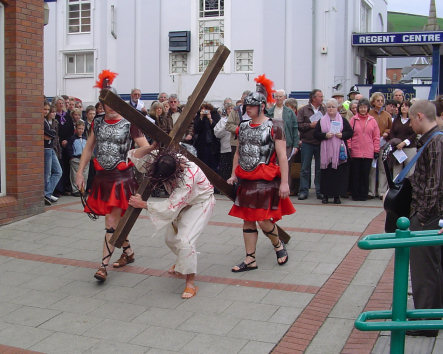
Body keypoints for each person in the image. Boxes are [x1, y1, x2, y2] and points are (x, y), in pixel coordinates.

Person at [75, 71, 149, 282]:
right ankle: (128, 252)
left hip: (121, 178)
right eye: (104, 102)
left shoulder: (130, 122)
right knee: (115, 222)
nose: (108, 106)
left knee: (111, 220)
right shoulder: (97, 122)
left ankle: (103, 266)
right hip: (102, 177)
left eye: (111, 101)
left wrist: (137, 155)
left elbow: (143, 147)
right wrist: (80, 172)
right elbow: (89, 148)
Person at [227, 75, 295, 272]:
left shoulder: (276, 126)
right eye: (246, 106)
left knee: (264, 220)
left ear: (262, 106)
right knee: (248, 220)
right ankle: (250, 258)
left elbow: (282, 156)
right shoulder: (243, 127)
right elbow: (238, 153)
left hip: (266, 180)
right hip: (246, 180)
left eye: (252, 106)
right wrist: (233, 174)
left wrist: (284, 182)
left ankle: (278, 245)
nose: (247, 109)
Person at [128, 145, 215, 299]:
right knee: (170, 239)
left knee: (185, 240)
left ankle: (190, 283)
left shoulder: (189, 175)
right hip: (181, 203)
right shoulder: (161, 158)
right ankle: (184, 259)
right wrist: (152, 147)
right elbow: (135, 155)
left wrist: (143, 204)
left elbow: (171, 207)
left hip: (199, 203)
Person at [406, 100, 443, 337]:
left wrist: (421, 216)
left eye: (410, 119)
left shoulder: (436, 141)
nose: (410, 124)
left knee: (424, 270)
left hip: (429, 216)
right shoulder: (434, 139)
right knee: (430, 269)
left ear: (420, 116)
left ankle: (426, 320)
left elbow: (435, 184)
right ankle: (430, 315)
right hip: (430, 214)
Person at [314, 98, 353, 204]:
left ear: (337, 108)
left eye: (333, 107)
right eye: (329, 107)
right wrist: (325, 135)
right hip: (325, 151)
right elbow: (316, 134)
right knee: (326, 174)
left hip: (338, 151)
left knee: (338, 174)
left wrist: (342, 135)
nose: (331, 109)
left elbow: (350, 132)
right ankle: (325, 196)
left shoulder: (342, 120)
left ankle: (337, 196)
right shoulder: (321, 121)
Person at [267, 89, 300, 196]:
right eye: (276, 96)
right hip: (271, 143)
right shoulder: (269, 111)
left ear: (284, 98)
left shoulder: (290, 112)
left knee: (286, 167)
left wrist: (295, 145)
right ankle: (274, 188)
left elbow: (295, 129)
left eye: (280, 96)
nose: (278, 98)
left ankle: (286, 189)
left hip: (287, 143)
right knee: (272, 165)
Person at [349, 98, 380, 201]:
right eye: (361, 107)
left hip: (368, 151)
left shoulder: (372, 120)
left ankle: (364, 194)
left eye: (364, 107)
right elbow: (349, 135)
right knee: (356, 174)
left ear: (368, 108)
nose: (363, 109)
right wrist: (349, 146)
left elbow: (376, 136)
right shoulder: (353, 119)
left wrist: (376, 150)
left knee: (365, 174)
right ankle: (355, 194)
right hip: (355, 150)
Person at [297, 89, 325, 200]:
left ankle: (319, 190)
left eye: (322, 96)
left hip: (320, 142)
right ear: (313, 98)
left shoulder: (324, 110)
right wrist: (310, 125)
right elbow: (298, 125)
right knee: (305, 168)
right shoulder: (303, 110)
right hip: (307, 142)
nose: (322, 98)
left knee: (319, 168)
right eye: (320, 96)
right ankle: (303, 191)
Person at [368, 92, 392, 199]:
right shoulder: (369, 114)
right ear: (373, 102)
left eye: (382, 101)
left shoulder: (387, 115)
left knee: (383, 168)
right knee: (372, 168)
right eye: (378, 100)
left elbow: (391, 127)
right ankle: (371, 191)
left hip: (383, 143)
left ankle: (382, 191)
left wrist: (387, 132)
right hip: (371, 144)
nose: (380, 103)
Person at [389, 100, 417, 179]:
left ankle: (409, 189)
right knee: (397, 170)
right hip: (398, 149)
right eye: (402, 106)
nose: (404, 108)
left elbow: (414, 133)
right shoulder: (396, 120)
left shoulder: (412, 120)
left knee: (410, 170)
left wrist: (404, 143)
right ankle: (396, 189)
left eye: (406, 106)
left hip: (410, 148)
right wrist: (396, 143)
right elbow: (392, 133)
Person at [193, 102, 221, 173]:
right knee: (202, 164)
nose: (205, 111)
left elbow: (217, 128)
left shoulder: (215, 114)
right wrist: (201, 118)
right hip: (202, 144)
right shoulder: (199, 115)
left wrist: (210, 119)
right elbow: (196, 129)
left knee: (213, 165)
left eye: (207, 109)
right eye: (203, 109)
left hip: (213, 144)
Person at [44, 102, 62, 206]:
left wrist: (50, 134)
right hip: (46, 149)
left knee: (58, 171)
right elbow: (46, 135)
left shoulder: (49, 121)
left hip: (51, 148)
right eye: (45, 109)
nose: (46, 111)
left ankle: (47, 193)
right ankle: (47, 194)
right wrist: (50, 134)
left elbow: (52, 134)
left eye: (47, 109)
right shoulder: (42, 121)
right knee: (47, 174)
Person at [67, 120, 88, 197]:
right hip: (75, 158)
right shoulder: (72, 138)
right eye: (79, 128)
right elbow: (69, 148)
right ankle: (75, 190)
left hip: (85, 159)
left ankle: (83, 189)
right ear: (76, 129)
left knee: (85, 175)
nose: (81, 130)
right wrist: (71, 156)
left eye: (82, 129)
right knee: (75, 174)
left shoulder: (86, 138)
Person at [214, 103, 233, 181]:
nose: (231, 110)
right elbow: (217, 134)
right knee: (225, 170)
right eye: (229, 109)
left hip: (235, 148)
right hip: (225, 149)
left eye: (232, 108)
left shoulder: (239, 120)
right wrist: (225, 127)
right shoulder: (222, 121)